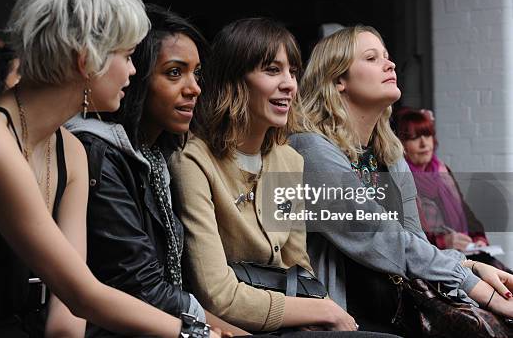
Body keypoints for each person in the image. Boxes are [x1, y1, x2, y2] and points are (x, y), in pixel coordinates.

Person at [0, 0, 218, 338]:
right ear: (86, 60)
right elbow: (82, 294)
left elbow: (66, 320)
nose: (133, 71)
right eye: (128, 55)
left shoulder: (71, 149)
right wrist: (196, 333)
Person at [169, 18, 398, 337]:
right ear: (234, 80)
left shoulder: (286, 159)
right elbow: (218, 295)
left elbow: (296, 265)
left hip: (290, 320)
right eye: (272, 70)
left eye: (292, 71)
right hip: (228, 327)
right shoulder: (194, 162)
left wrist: (316, 309)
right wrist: (320, 309)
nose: (290, 83)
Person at [290, 25, 513, 334]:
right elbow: (379, 237)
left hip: (400, 307)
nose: (390, 64)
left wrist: (473, 268)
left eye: (387, 56)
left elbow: (415, 244)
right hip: (346, 317)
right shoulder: (310, 149)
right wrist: (480, 290)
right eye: (371, 58)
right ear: (338, 80)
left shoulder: (390, 154)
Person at [67, 5, 247, 337]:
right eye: (175, 73)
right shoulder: (102, 152)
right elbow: (142, 284)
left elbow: (290, 256)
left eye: (197, 73)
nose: (195, 88)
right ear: (135, 76)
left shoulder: (157, 153)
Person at [394, 107, 511, 272]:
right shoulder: (399, 178)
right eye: (414, 138)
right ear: (401, 144)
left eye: (427, 135)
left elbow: (465, 212)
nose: (424, 143)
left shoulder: (442, 171)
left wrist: (478, 239)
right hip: (432, 263)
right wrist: (443, 242)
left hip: (465, 255)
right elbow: (404, 234)